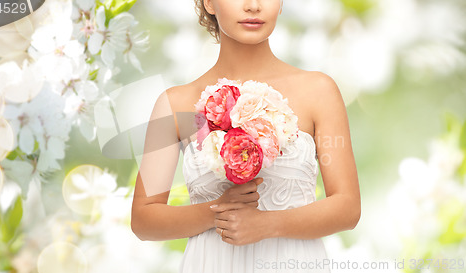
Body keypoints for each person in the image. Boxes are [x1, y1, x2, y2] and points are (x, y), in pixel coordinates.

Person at [130, 0, 361, 272]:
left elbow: (347, 207)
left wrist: (268, 224)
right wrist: (217, 212)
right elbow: (143, 219)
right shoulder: (174, 103)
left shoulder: (319, 90)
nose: (253, 6)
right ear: (209, 4)